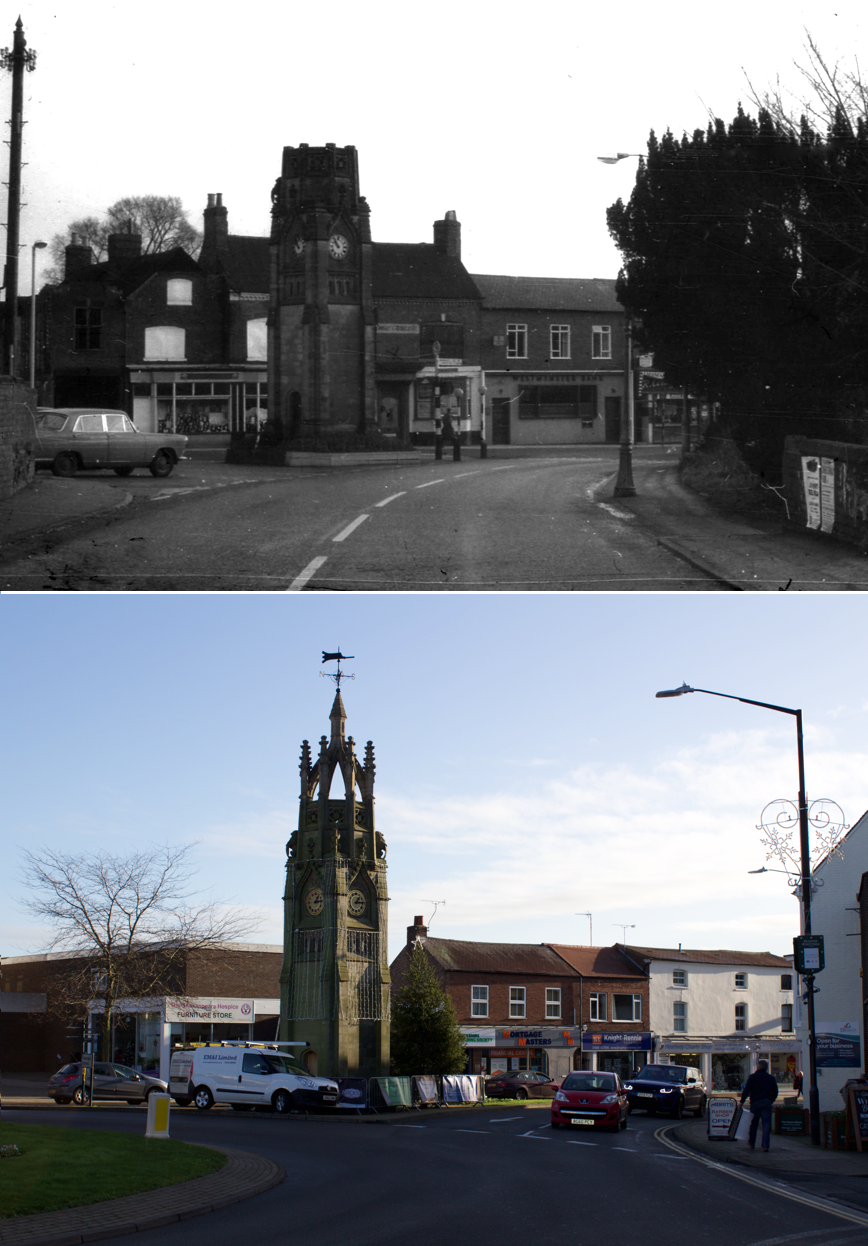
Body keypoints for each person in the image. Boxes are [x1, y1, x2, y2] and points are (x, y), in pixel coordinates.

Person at [740, 1060, 779, 1152]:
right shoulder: (771, 1078)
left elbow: (747, 1090)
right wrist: (770, 1100)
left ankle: (752, 1143)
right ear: (766, 1068)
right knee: (766, 1125)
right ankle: (765, 1146)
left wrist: (742, 1101)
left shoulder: (752, 1077)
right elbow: (775, 1092)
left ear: (757, 1067)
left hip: (755, 1102)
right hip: (766, 1102)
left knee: (754, 1124)